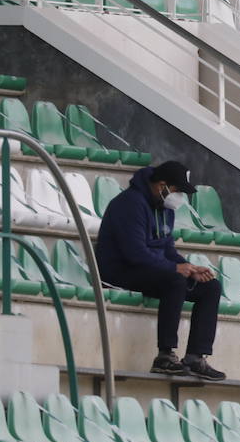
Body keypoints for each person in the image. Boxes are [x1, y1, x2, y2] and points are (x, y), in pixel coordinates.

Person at [95, 161, 225, 380]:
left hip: (150, 270)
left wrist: (190, 268)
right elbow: (134, 253)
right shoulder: (129, 204)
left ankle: (195, 356)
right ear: (161, 185)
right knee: (175, 280)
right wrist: (175, 268)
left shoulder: (165, 209)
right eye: (177, 190)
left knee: (210, 286)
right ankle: (164, 355)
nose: (180, 197)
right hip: (119, 271)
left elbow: (167, 248)